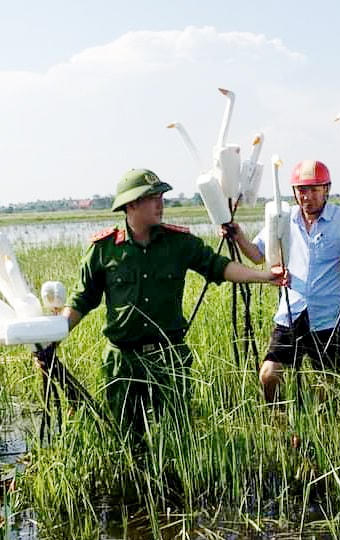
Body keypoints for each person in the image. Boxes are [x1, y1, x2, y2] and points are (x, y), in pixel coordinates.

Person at [54, 168, 285, 436]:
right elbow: (81, 300)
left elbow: (219, 266)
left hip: (169, 357)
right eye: (152, 198)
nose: (160, 204)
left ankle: (175, 479)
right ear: (131, 205)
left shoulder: (179, 243)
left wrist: (263, 276)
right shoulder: (105, 249)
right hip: (122, 360)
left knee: (178, 435)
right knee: (127, 438)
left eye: (161, 197)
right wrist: (53, 338)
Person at [227, 159, 340, 403]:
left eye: (314, 189)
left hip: (329, 316)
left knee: (326, 386)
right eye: (302, 190)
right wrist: (237, 235)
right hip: (292, 312)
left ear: (326, 189)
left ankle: (323, 430)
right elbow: (258, 254)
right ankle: (277, 420)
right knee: (268, 374)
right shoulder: (284, 218)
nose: (307, 196)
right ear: (294, 192)